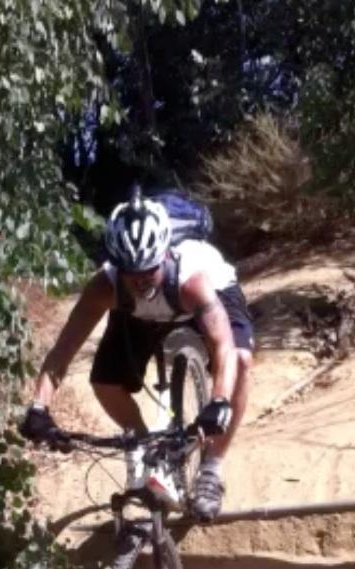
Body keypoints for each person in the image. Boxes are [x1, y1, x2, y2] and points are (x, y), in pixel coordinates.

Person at [20, 190, 254, 520]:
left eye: (149, 271)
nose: (142, 281)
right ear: (117, 267)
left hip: (206, 298)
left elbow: (223, 346)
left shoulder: (193, 280)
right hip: (141, 315)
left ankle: (212, 469)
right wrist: (38, 407)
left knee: (242, 361)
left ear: (165, 256)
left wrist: (218, 402)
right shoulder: (106, 286)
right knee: (104, 382)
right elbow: (63, 350)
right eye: (131, 274)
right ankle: (146, 448)